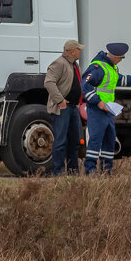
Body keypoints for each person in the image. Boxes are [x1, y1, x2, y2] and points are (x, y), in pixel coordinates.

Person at [81, 42, 131, 175]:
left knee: (109, 140)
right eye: (121, 58)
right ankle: (90, 171)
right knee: (95, 140)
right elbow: (85, 86)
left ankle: (106, 171)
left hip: (109, 110)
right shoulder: (98, 67)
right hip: (97, 110)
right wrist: (98, 102)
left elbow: (118, 80)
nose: (121, 61)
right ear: (115, 57)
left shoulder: (112, 68)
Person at [43, 39, 85, 175]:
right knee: (60, 141)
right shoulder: (59, 63)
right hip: (63, 108)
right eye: (79, 49)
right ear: (72, 51)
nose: (80, 52)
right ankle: (58, 173)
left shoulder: (74, 65)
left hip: (73, 108)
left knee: (74, 142)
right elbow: (49, 82)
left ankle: (73, 172)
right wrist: (60, 100)